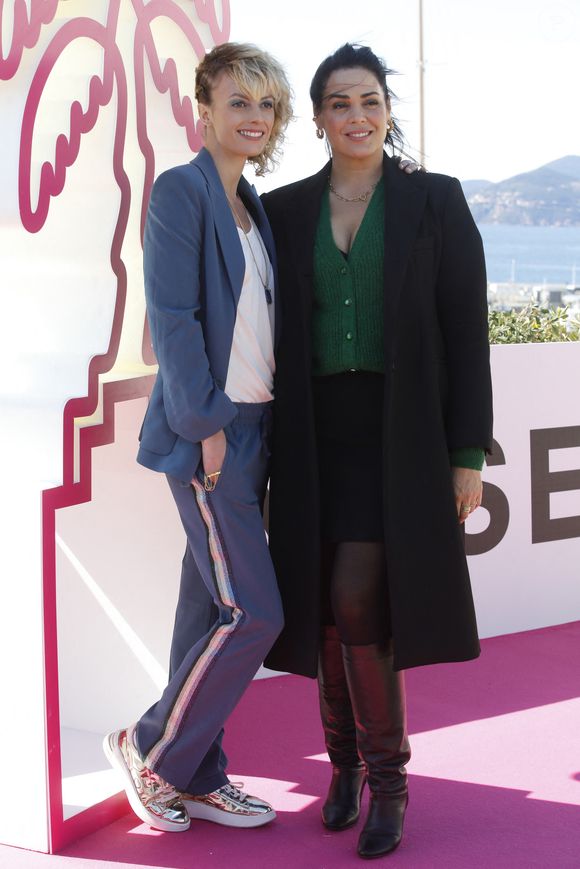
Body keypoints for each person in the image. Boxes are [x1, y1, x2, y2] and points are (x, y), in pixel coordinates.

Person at [262, 43, 492, 859]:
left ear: (387, 110)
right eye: (339, 103)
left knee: (358, 594)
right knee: (322, 606)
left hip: (400, 432)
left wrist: (467, 452)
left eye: (369, 100)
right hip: (309, 434)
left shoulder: (435, 200)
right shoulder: (283, 209)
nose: (356, 115)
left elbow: (466, 330)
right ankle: (345, 766)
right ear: (318, 117)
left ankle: (390, 781)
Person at [103, 43, 293, 833]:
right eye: (238, 101)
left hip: (257, 429)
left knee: (208, 610)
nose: (254, 117)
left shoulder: (252, 206)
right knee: (255, 613)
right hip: (211, 430)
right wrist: (206, 426)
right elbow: (173, 319)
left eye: (266, 104)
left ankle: (201, 774)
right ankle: (151, 750)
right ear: (203, 110)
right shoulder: (181, 192)